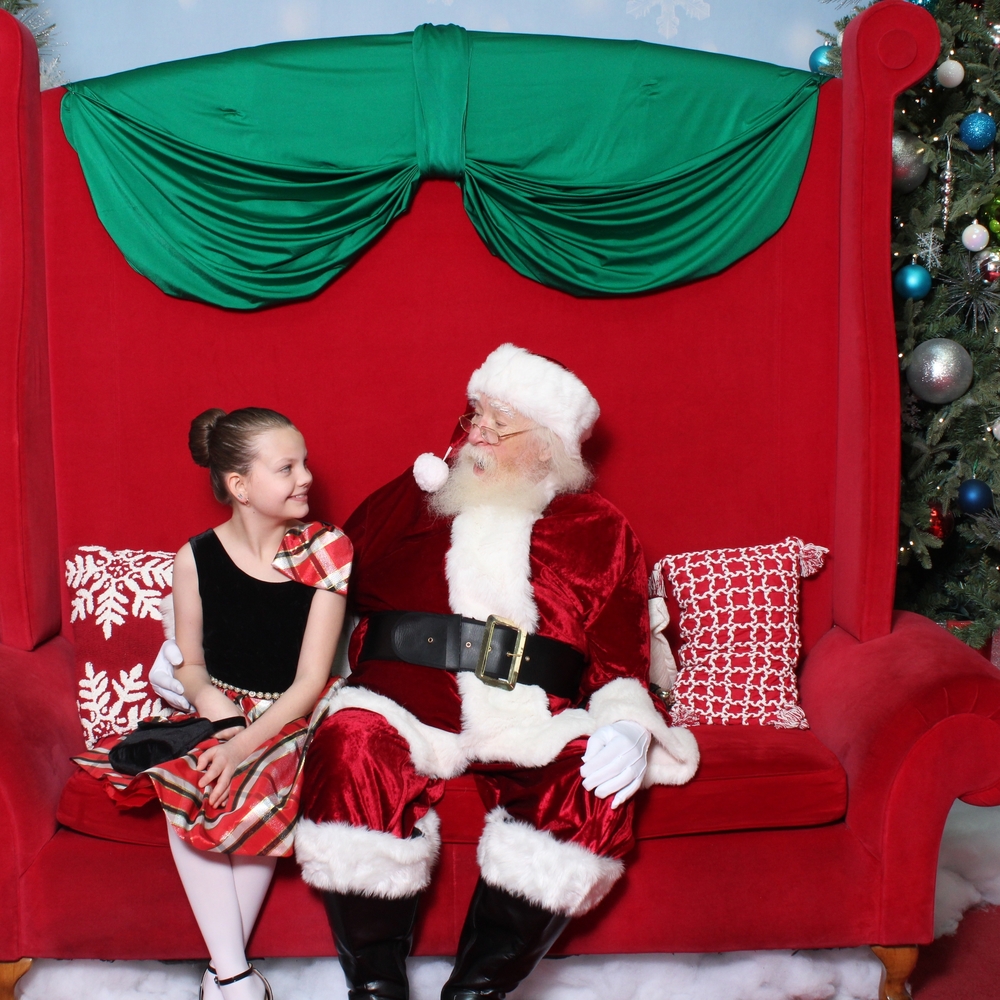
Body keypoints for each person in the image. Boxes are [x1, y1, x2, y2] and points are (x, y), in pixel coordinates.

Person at [293, 344, 700, 1000]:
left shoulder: (597, 527)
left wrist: (629, 726)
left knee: (592, 782)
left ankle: (478, 991)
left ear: (546, 447)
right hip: (401, 703)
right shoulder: (421, 494)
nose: (476, 431)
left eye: (497, 423)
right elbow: (323, 580)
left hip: (528, 719)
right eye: (474, 415)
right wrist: (210, 652)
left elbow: (619, 661)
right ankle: (374, 987)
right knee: (350, 743)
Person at [76, 407, 352, 1000]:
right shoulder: (194, 557)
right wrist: (216, 710)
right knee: (187, 777)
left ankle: (224, 976)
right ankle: (234, 977)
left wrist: (243, 743)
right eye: (287, 468)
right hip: (217, 708)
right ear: (240, 486)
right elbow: (191, 664)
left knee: (258, 779)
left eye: (304, 463)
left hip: (291, 713)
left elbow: (309, 680)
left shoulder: (326, 549)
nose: (306, 477)